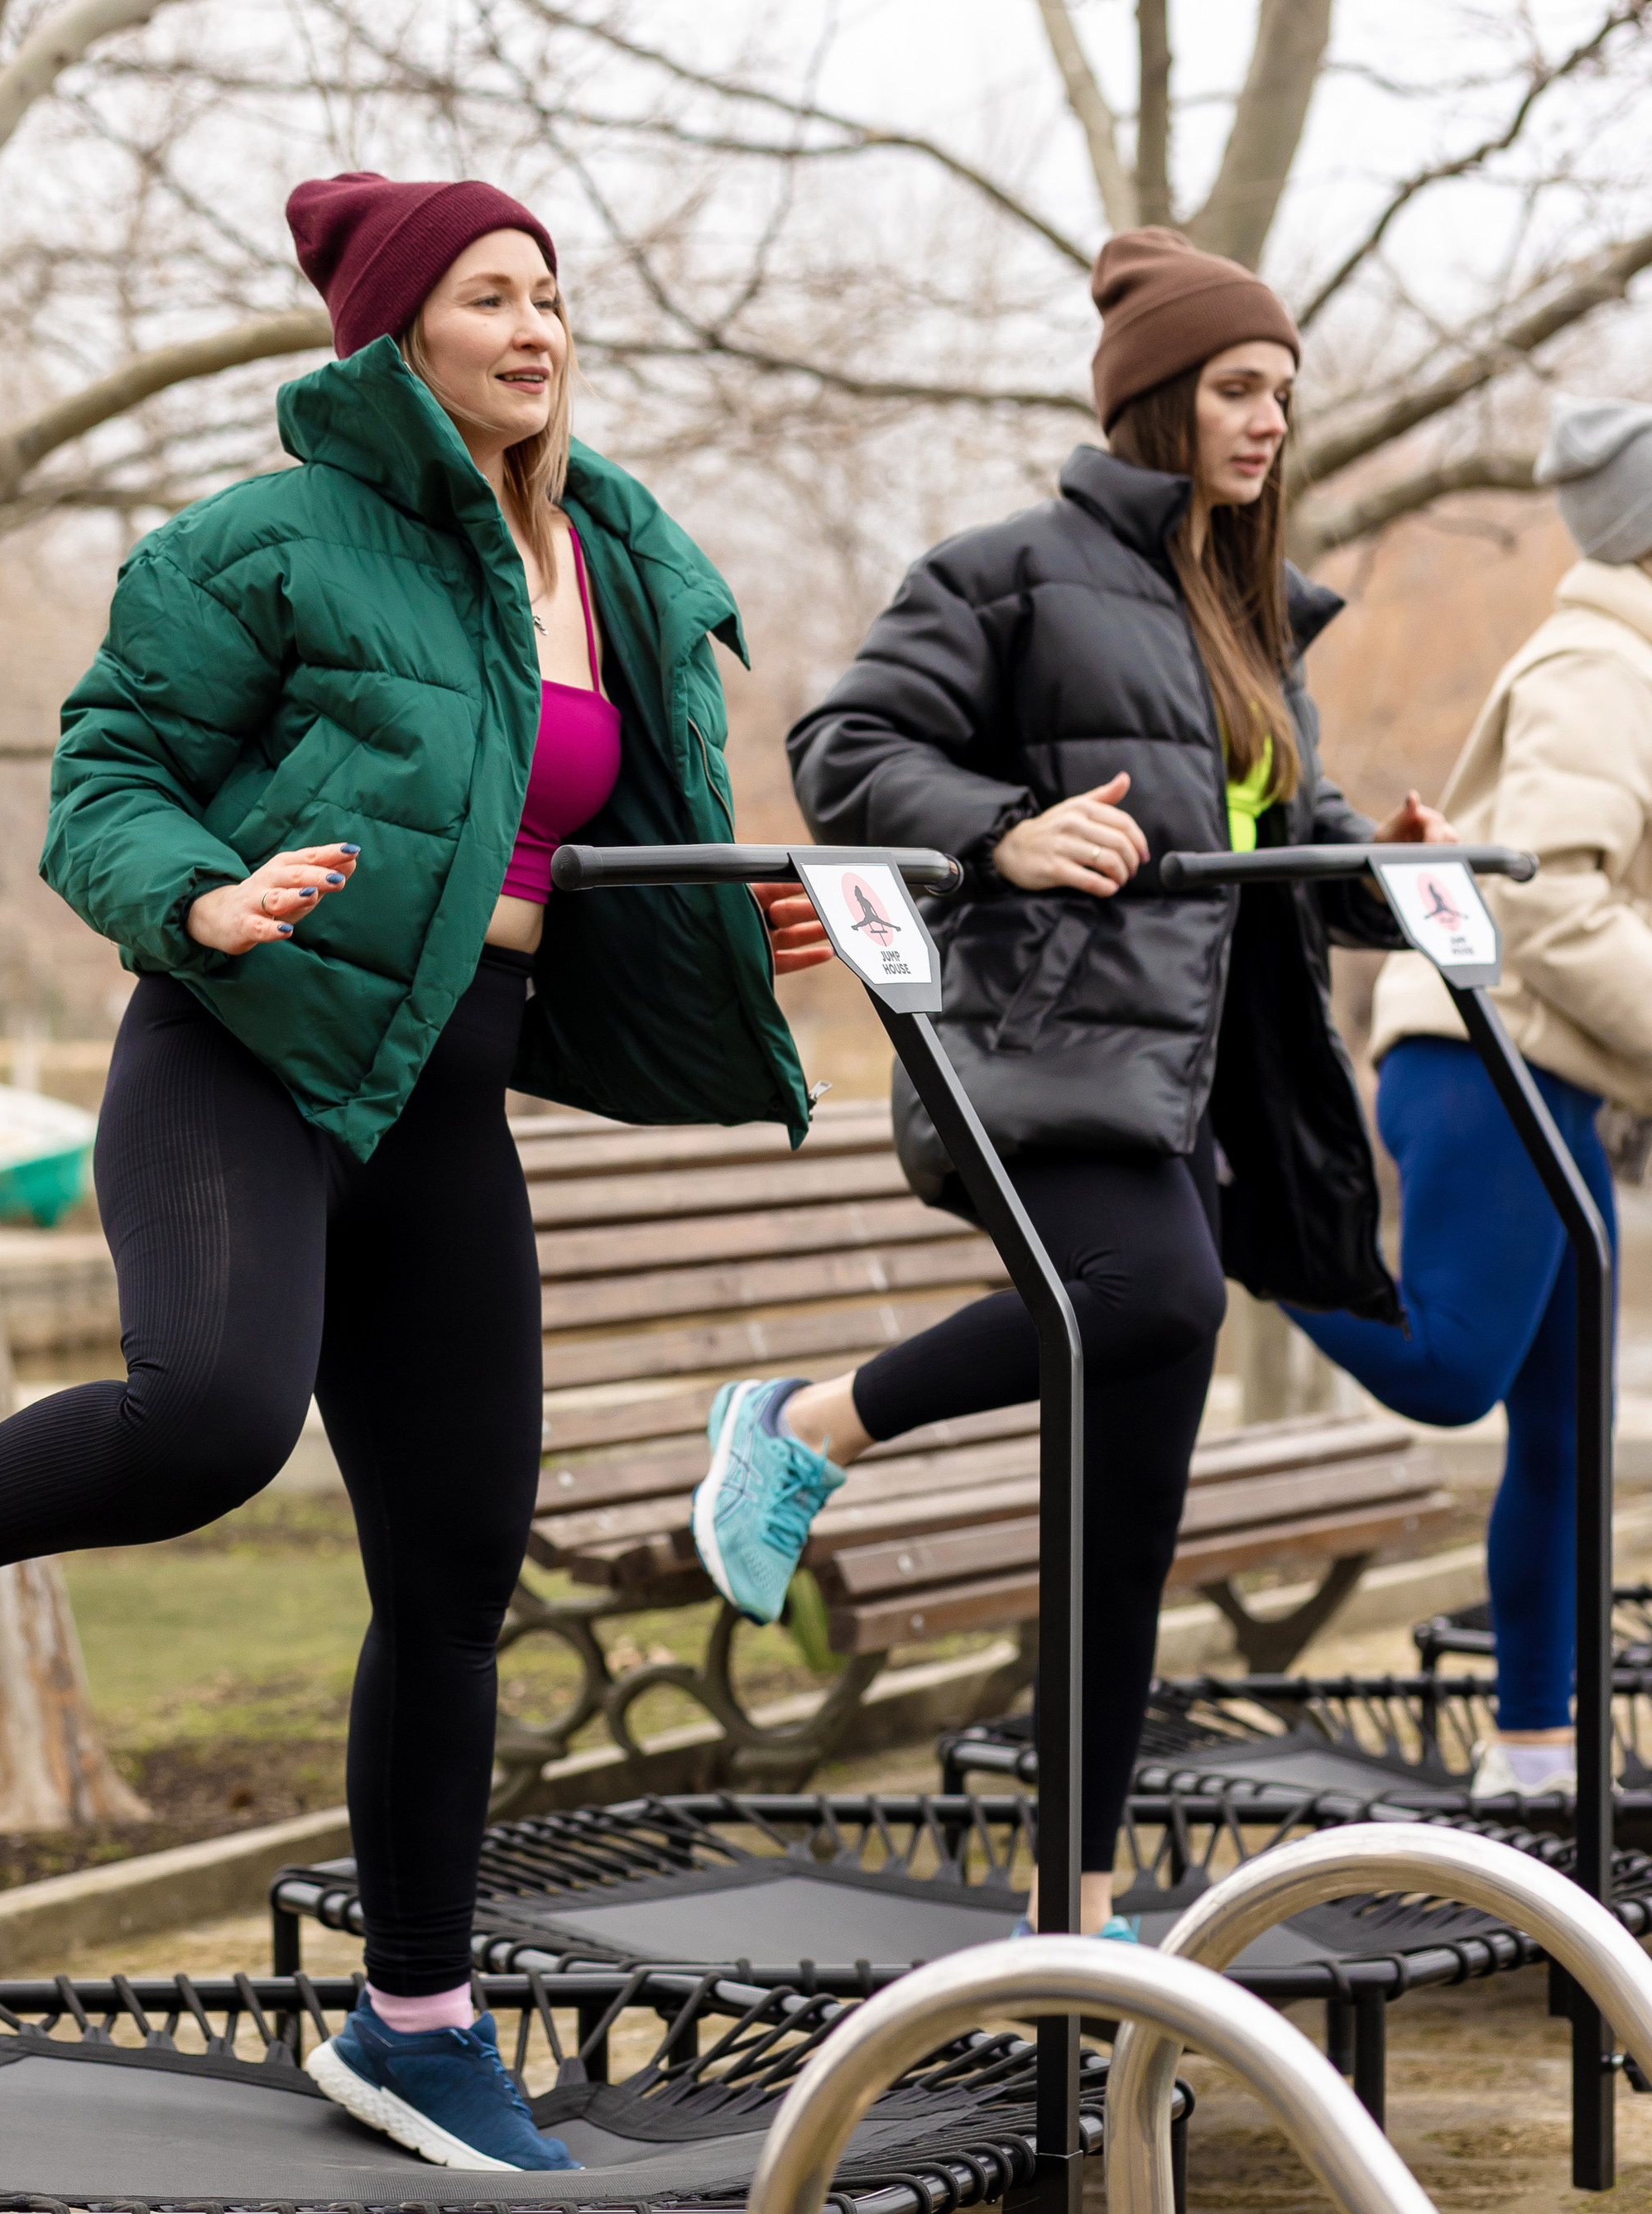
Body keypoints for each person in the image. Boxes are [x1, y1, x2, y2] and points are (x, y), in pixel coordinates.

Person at [0, 170, 827, 2168]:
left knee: (454, 1571)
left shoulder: (610, 552)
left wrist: (728, 924)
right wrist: (204, 900)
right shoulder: (265, 542)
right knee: (212, 1421)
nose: (533, 327)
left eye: (549, 294)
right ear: (394, 335)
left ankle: (414, 2022)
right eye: (487, 295)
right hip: (244, 1055)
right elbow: (106, 779)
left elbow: (565, 837)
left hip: (440, 1098)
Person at [689, 224, 1453, 1930]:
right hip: (1052, 1051)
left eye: (1281, 393)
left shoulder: (1245, 613)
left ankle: (1076, 1915)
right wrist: (1006, 831)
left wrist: (1383, 866)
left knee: (1125, 1524)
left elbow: (1271, 837)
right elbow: (842, 748)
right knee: (1156, 1291)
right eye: (1238, 389)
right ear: (1155, 402)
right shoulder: (1008, 574)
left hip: (1197, 1088)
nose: (1268, 422)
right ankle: (800, 1426)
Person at [1285, 397, 1652, 1803]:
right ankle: (1242, 1227)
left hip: (1548, 1068)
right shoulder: (1598, 670)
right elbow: (1550, 902)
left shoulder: (1629, 662)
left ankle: (1534, 1755)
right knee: (1451, 1373)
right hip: (1487, 1057)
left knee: (1565, 1433)